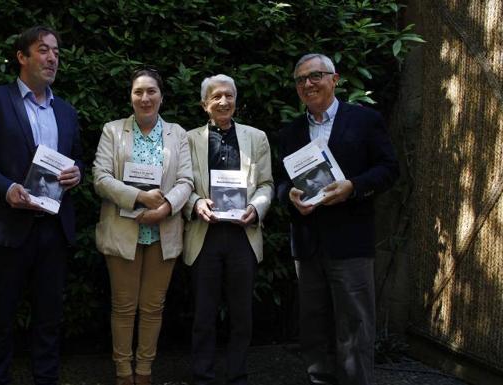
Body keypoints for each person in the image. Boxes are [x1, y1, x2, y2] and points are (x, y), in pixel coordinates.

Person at [0, 26, 84, 385]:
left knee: (50, 317)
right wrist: (5, 187)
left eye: (56, 51)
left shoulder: (67, 112)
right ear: (22, 57)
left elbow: (78, 161)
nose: (52, 58)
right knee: (0, 317)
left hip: (53, 230)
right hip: (6, 227)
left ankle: (46, 378)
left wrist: (78, 174)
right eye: (43, 50)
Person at [277, 53, 399, 385]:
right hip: (308, 243)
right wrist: (288, 195)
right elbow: (280, 182)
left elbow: (389, 169)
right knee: (314, 326)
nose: (308, 84)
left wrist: (353, 187)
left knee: (355, 326)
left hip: (351, 241)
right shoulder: (291, 132)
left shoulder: (364, 120)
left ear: (335, 78)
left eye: (315, 76)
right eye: (301, 79)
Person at [92, 68, 193, 385]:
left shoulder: (178, 134)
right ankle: (124, 372)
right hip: (123, 229)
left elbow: (186, 181)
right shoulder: (113, 131)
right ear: (131, 96)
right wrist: (140, 198)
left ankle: (145, 371)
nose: (145, 98)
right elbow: (101, 178)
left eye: (151, 91)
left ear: (161, 95)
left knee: (152, 307)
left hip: (163, 231)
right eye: (139, 92)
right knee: (123, 307)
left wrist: (164, 208)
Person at [183, 74, 273, 385]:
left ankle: (237, 375)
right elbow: (181, 184)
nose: (224, 101)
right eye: (217, 96)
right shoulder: (188, 139)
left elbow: (266, 185)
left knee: (241, 313)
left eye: (229, 96)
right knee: (203, 313)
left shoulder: (257, 137)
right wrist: (195, 202)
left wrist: (256, 208)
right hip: (203, 234)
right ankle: (202, 375)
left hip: (242, 236)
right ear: (204, 104)